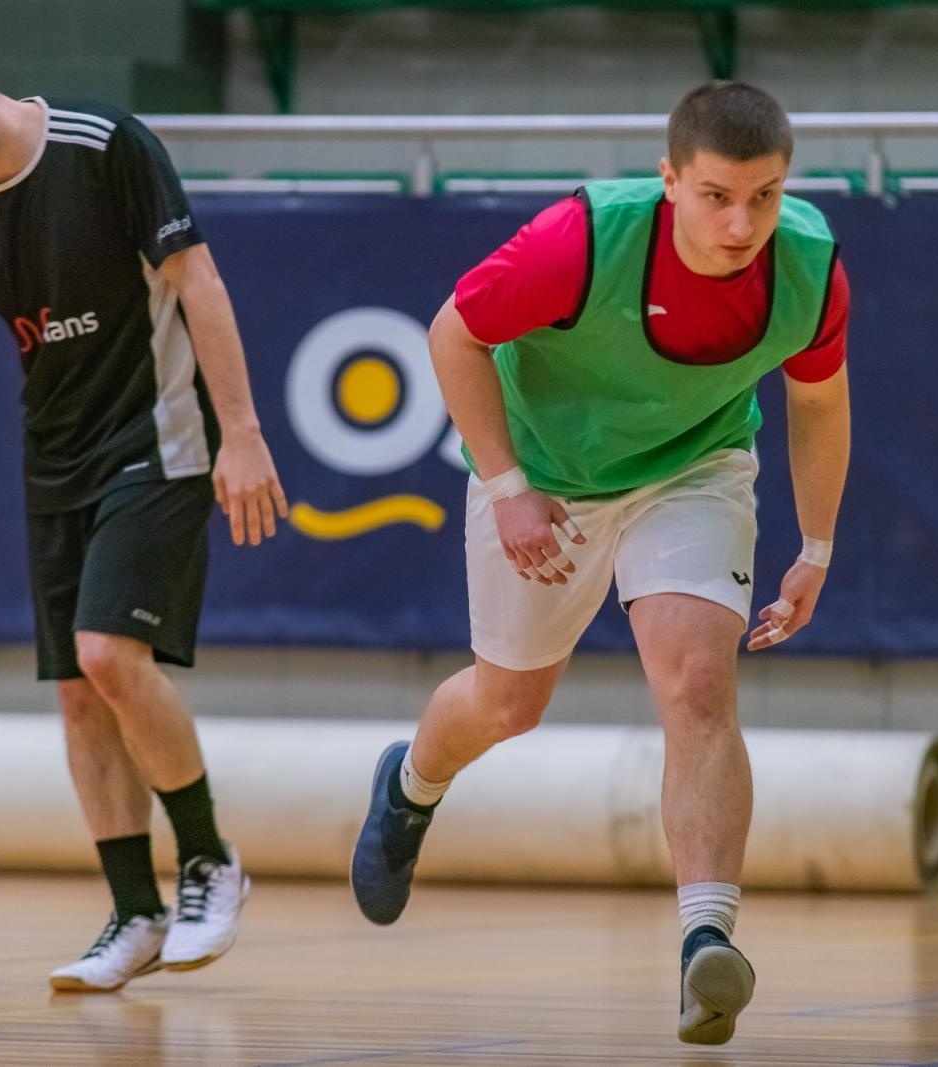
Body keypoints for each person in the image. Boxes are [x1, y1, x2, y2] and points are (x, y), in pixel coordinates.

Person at [350, 81, 851, 1045]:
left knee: (698, 684)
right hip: (544, 474)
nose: (741, 223)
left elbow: (820, 402)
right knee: (508, 703)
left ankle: (706, 941)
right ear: (670, 181)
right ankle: (409, 785)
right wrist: (507, 486)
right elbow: (454, 334)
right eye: (716, 196)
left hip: (694, 467)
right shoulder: (581, 240)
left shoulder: (810, 266)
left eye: (765, 196)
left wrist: (817, 546)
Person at [0, 14, 289, 993]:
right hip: (55, 457)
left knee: (108, 652)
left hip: (158, 438)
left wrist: (243, 432)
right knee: (78, 692)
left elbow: (199, 281)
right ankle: (134, 909)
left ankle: (208, 860)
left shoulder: (105, 144)